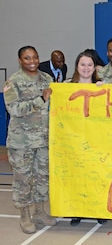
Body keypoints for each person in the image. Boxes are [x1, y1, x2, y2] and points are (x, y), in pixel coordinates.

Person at [3, 46, 57, 234]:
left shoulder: (47, 79)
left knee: (42, 178)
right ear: (20, 60)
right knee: (23, 180)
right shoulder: (13, 82)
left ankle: (40, 212)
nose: (32, 61)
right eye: (27, 58)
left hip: (43, 140)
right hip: (22, 142)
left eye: (34, 57)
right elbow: (14, 109)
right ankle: (25, 215)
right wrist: (40, 100)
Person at [65, 50, 107, 226]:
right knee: (77, 176)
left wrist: (104, 89)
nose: (86, 68)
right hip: (73, 140)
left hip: (96, 140)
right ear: (77, 66)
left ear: (95, 67)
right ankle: (77, 211)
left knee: (97, 175)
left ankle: (98, 210)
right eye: (82, 64)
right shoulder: (66, 86)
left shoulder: (102, 86)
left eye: (90, 65)